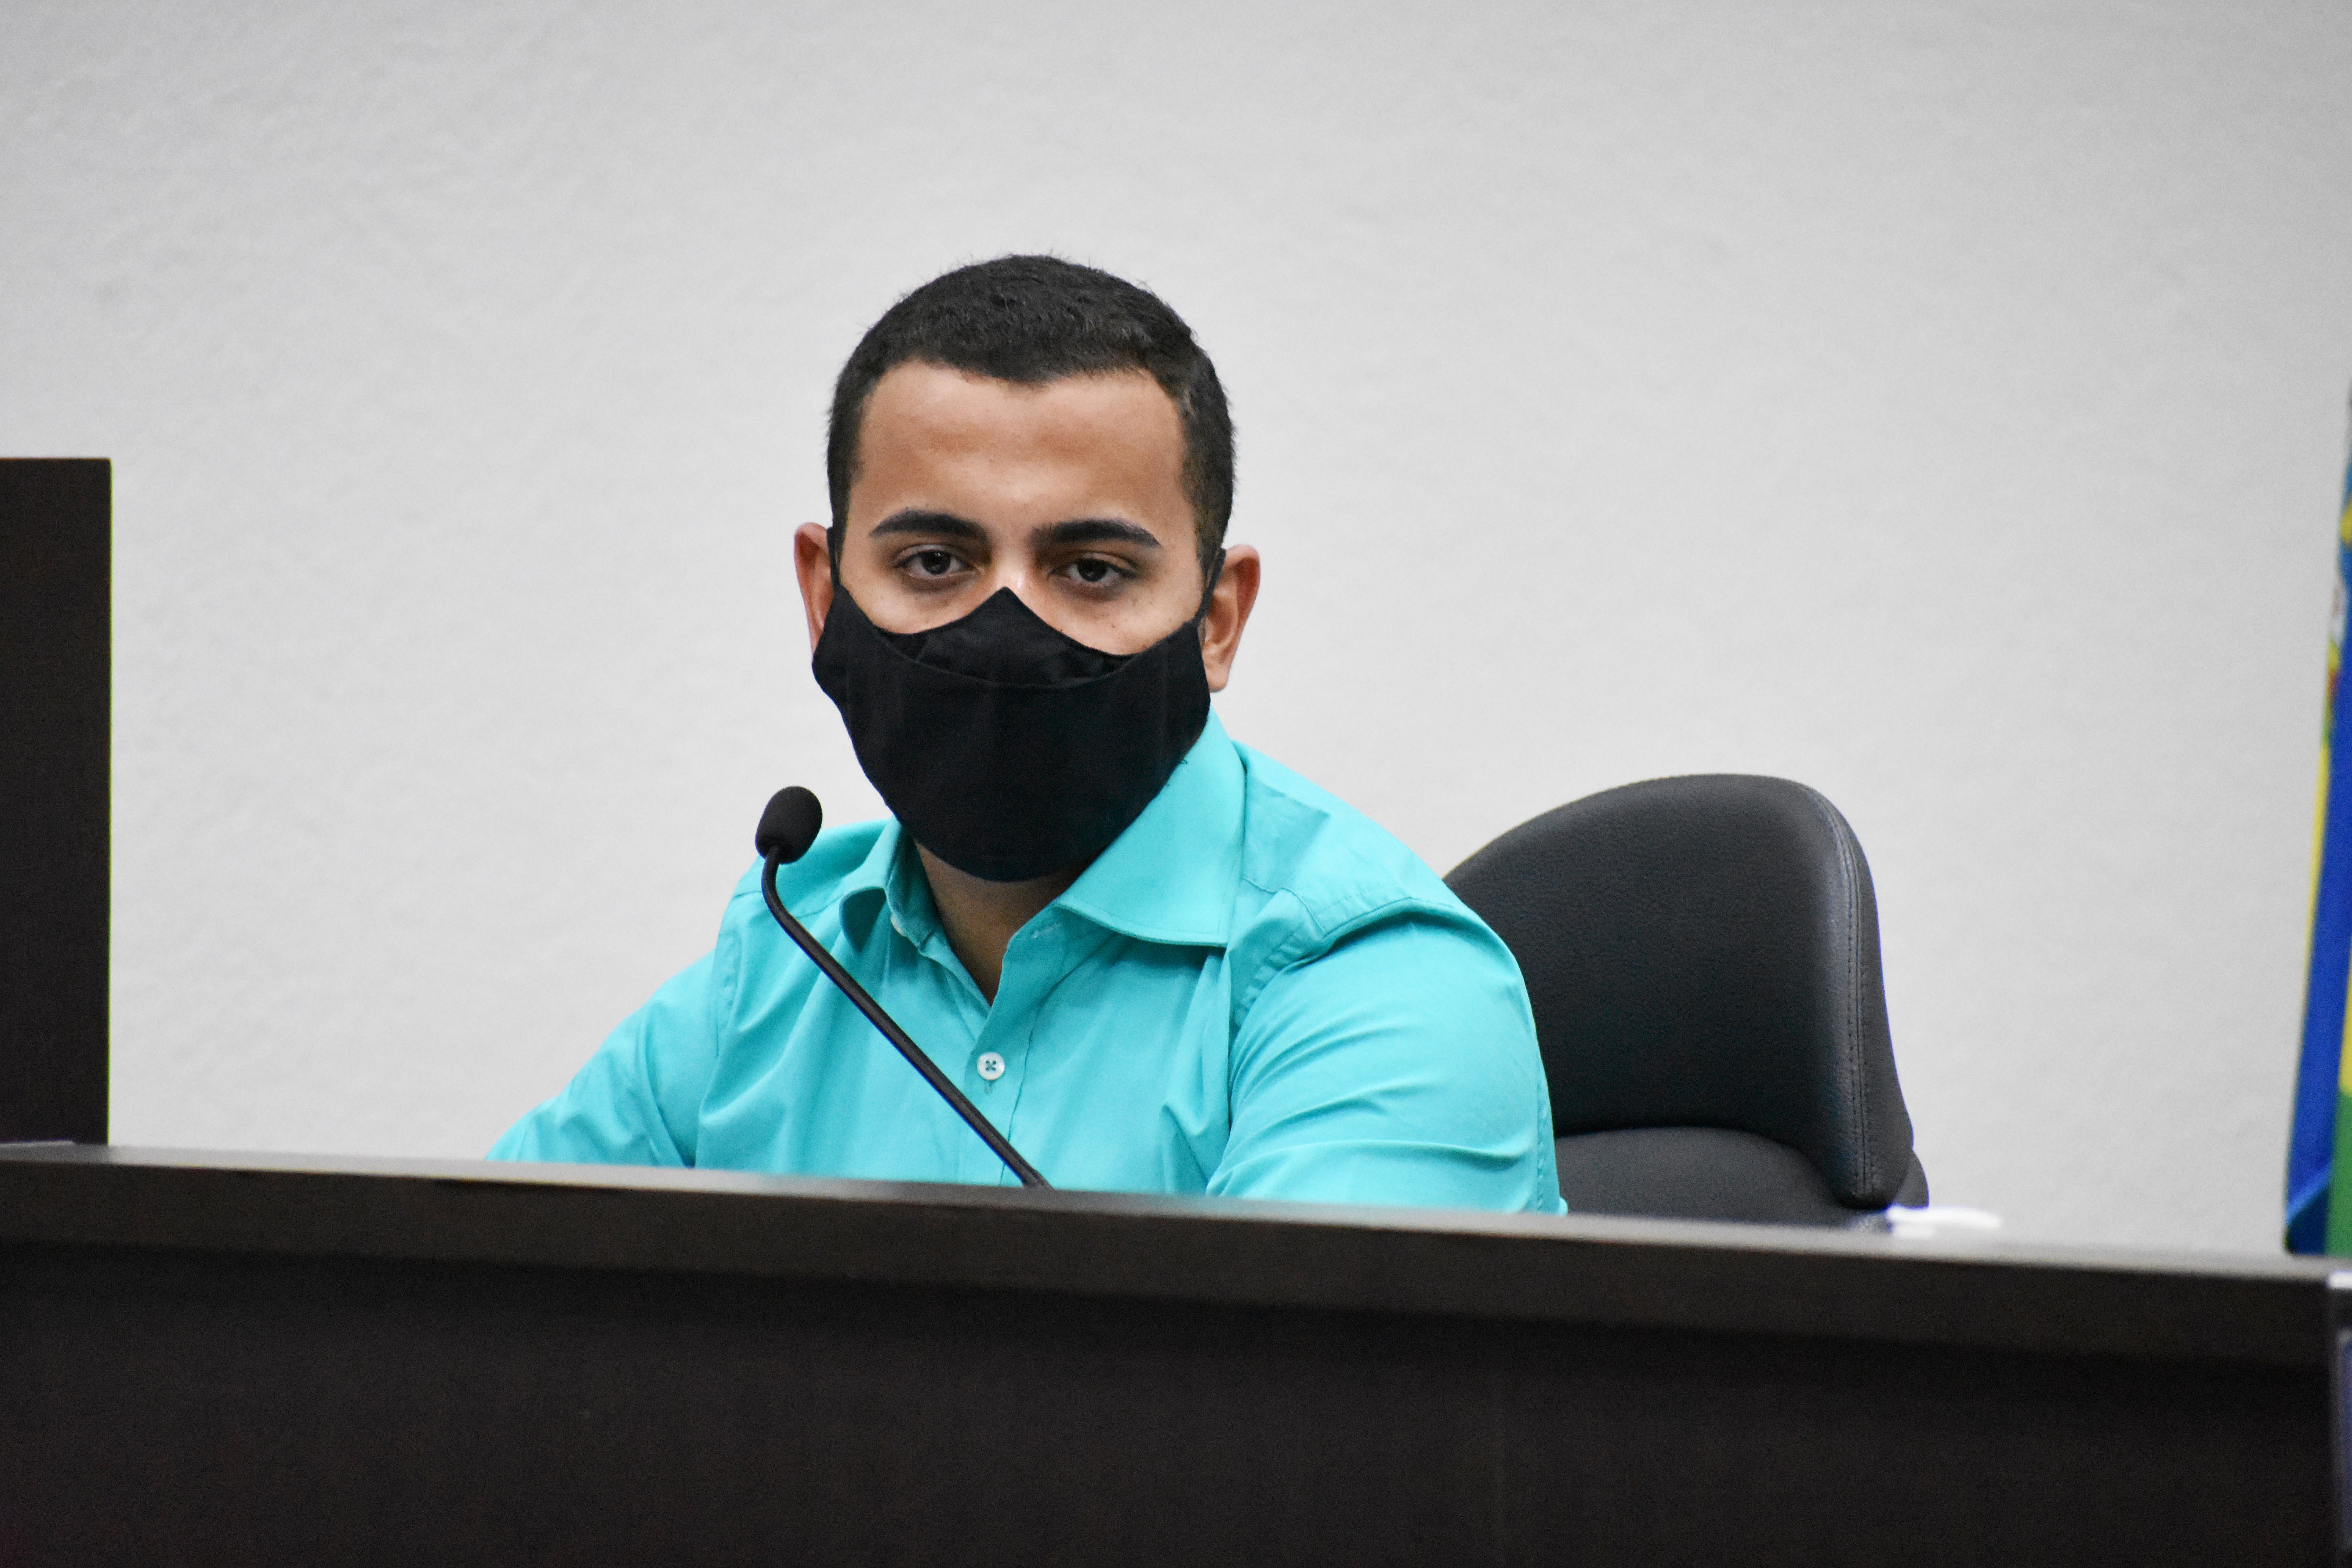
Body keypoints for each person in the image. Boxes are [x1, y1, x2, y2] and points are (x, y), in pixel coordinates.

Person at [491, 255, 1563, 1213]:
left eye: (1091, 569)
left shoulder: (1381, 992)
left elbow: (1267, 1381)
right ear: (825, 599)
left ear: (1216, 620)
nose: (1007, 630)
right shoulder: (780, 966)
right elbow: (465, 1310)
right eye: (934, 563)